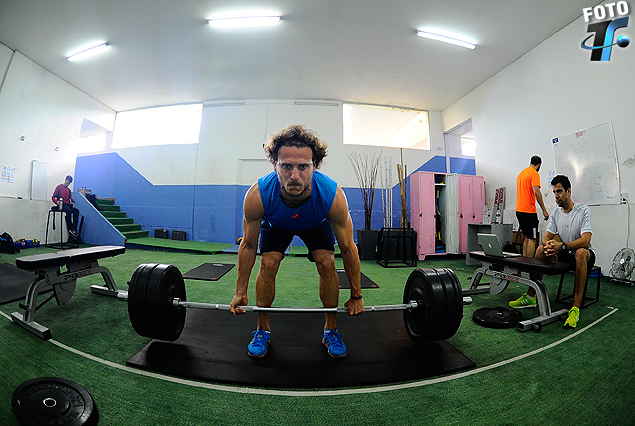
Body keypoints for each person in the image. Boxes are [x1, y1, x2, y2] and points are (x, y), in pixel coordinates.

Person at [229, 124, 365, 358]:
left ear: (315, 166)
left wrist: (356, 295)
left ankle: (330, 330)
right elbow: (249, 245)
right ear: (275, 165)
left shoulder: (332, 195)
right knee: (269, 262)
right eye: (286, 166)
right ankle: (262, 329)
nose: (294, 176)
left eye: (303, 167)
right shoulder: (258, 194)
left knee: (326, 262)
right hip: (277, 224)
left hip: (315, 222)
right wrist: (240, 290)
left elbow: (348, 248)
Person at [510, 175, 594, 329]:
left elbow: (586, 241)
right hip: (564, 252)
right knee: (541, 249)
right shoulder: (556, 213)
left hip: (583, 255)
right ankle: (531, 295)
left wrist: (560, 246)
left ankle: (575, 308)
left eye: (559, 191)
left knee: (581, 252)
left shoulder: (583, 210)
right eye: (555, 192)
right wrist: (549, 245)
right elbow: (545, 237)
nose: (556, 196)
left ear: (568, 191)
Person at [515, 156, 549, 257]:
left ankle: (525, 265)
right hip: (529, 212)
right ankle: (529, 266)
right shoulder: (534, 173)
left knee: (527, 237)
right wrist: (544, 210)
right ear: (539, 165)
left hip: (519, 211)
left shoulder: (521, 174)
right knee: (533, 238)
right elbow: (536, 192)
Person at [52, 175, 80, 241]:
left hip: (68, 204)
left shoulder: (69, 190)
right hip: (62, 204)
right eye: (67, 183)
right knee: (68, 211)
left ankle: (73, 229)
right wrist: (57, 201)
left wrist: (72, 203)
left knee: (76, 211)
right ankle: (70, 229)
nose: (68, 184)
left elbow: (71, 199)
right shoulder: (59, 187)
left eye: (69, 183)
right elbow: (53, 197)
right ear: (65, 180)